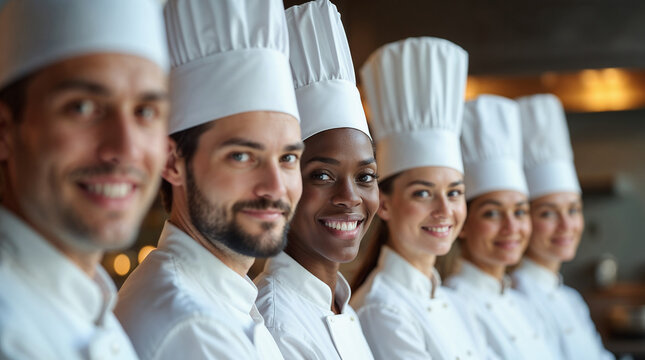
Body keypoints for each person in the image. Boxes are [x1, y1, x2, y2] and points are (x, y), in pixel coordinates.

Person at [114, 1, 303, 359]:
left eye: (288, 158)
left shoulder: (227, 295)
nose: (276, 187)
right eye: (242, 156)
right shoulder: (189, 326)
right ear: (173, 162)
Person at [0, 0, 169, 358]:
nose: (124, 148)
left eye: (146, 111)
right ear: (4, 131)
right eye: (83, 107)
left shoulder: (93, 304)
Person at [350, 37, 490, 360]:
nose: (444, 210)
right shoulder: (382, 310)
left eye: (454, 192)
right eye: (423, 193)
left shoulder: (453, 303)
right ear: (383, 202)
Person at [254, 1, 376, 359]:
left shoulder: (341, 305)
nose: (349, 196)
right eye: (323, 175)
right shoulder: (276, 321)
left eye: (365, 176)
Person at [445, 95, 557, 360]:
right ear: (462, 223)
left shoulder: (521, 302)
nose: (511, 227)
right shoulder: (457, 304)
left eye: (520, 211)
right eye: (492, 213)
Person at [512, 94, 615, 360]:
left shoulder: (570, 299)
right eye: (548, 213)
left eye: (573, 209)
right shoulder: (517, 298)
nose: (567, 225)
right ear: (523, 218)